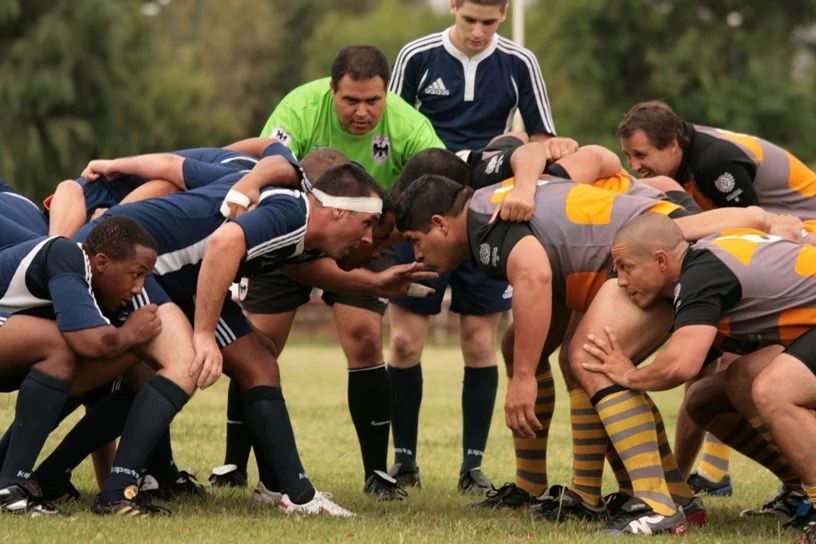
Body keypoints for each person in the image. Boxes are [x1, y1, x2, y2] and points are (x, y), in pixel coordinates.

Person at [395, 172, 778, 534]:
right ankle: (656, 494)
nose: (417, 253)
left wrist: (525, 378)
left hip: (650, 253)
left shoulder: (485, 224)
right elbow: (552, 267)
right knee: (541, 350)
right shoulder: (492, 198)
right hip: (637, 249)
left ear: (441, 223)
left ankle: (656, 503)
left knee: (591, 358)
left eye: (415, 239)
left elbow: (535, 275)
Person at [214, 44, 444, 500]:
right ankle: (233, 464)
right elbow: (268, 164)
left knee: (363, 337)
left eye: (373, 101)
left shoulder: (410, 125)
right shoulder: (299, 107)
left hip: (362, 240)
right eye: (351, 101)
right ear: (331, 90)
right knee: (255, 345)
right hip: (293, 233)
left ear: (385, 94)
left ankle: (377, 473)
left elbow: (435, 189)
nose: (363, 112)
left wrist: (390, 232)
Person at [387, 0, 562, 494]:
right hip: (425, 216)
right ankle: (403, 461)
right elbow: (393, 128)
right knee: (403, 342)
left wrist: (542, 153)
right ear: (454, 7)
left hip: (486, 218)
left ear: (504, 13)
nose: (479, 31)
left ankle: (472, 466)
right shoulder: (416, 57)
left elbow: (543, 139)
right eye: (470, 20)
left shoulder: (519, 63)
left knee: (481, 342)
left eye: (489, 22)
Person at [616, 99, 816, 495]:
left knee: (771, 387)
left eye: (641, 155)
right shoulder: (696, 250)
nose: (634, 166)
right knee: (716, 391)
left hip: (804, 230)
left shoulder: (712, 165)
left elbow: (760, 224)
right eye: (627, 157)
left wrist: (624, 375)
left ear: (674, 144)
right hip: (787, 266)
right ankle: (793, 488)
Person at [580, 214, 816, 539]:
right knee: (709, 398)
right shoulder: (706, 256)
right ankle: (800, 489)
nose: (620, 280)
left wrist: (630, 374)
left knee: (774, 389)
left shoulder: (701, 275)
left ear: (661, 260)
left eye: (626, 267)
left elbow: (681, 365)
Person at [0, 216, 162, 515]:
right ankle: (10, 489)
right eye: (135, 274)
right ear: (101, 262)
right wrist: (132, 334)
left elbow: (81, 381)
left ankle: (20, 474)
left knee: (119, 363)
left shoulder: (94, 293)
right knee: (64, 345)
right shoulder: (67, 254)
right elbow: (90, 342)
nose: (139, 288)